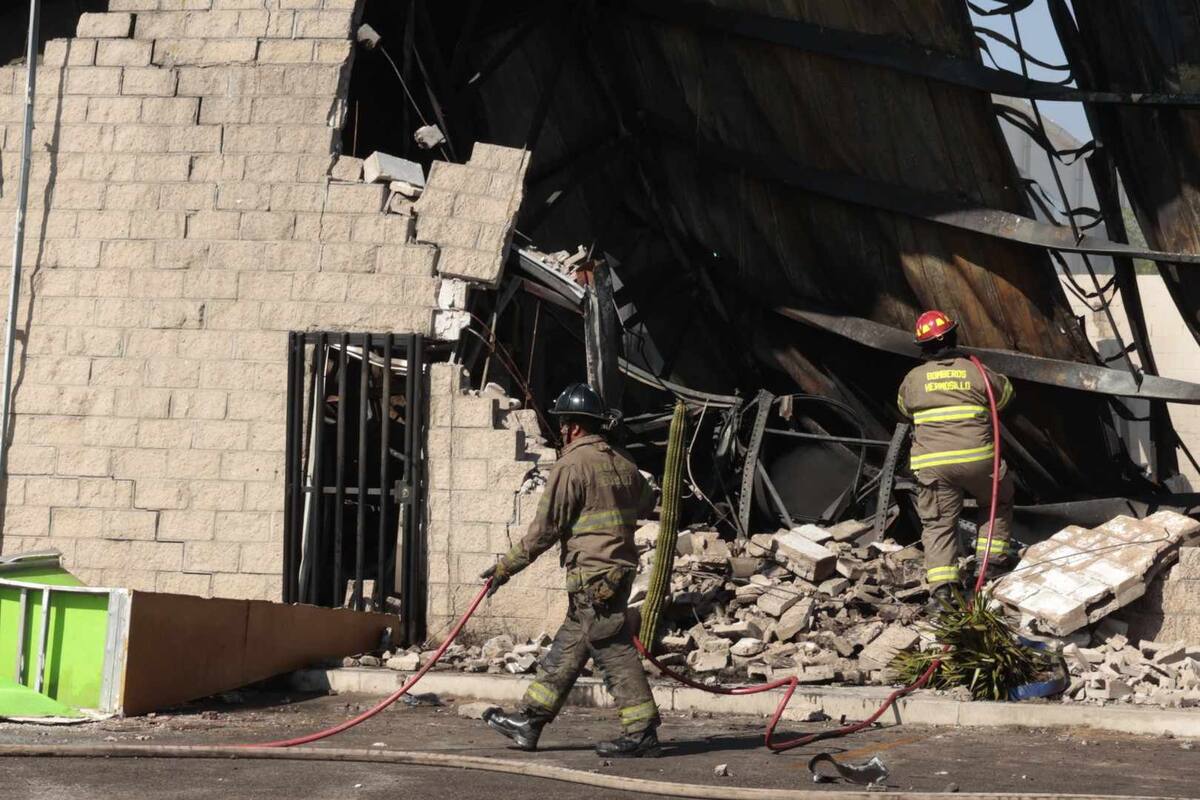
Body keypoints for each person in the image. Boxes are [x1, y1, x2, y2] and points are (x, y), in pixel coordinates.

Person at [479, 383, 661, 757]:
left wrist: (505, 568)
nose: (561, 430)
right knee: (570, 646)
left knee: (613, 650)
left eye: (563, 423)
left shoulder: (572, 464)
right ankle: (530, 721)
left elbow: (544, 531)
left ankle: (641, 732)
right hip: (615, 574)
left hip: (593, 577)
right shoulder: (623, 462)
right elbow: (647, 503)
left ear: (574, 426)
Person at [896, 310, 1015, 608]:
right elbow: (1004, 397)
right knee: (997, 502)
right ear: (954, 336)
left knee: (938, 524)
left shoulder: (913, 379)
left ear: (923, 347)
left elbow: (904, 409)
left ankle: (943, 592)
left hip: (934, 467)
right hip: (980, 462)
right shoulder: (977, 371)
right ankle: (988, 568)